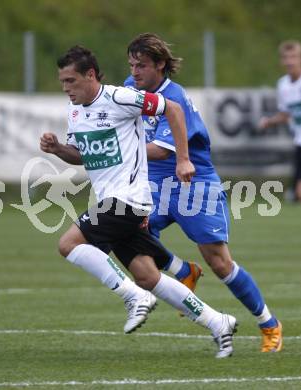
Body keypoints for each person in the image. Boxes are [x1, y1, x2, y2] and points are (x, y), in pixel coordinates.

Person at [40, 45, 238, 358]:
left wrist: (182, 160)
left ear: (90, 75)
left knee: (68, 244)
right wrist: (57, 150)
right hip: (111, 199)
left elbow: (172, 109)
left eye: (71, 81)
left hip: (129, 199)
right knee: (147, 275)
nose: (66, 88)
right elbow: (81, 156)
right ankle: (218, 322)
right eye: (62, 82)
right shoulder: (76, 111)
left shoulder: (120, 97)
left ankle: (134, 297)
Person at [123, 33, 282, 353]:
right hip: (153, 182)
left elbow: (161, 151)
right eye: (131, 65)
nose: (135, 71)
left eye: (141, 65)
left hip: (192, 182)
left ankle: (269, 323)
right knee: (127, 231)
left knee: (220, 263)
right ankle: (183, 271)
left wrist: (120, 148)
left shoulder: (175, 98)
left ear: (161, 65)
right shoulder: (130, 87)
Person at [259, 40, 301, 203]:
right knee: (297, 193)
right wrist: (269, 121)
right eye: (286, 57)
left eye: (294, 57)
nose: (290, 61)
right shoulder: (283, 84)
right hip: (299, 141)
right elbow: (286, 114)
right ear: (282, 60)